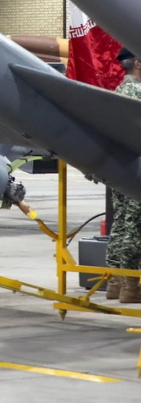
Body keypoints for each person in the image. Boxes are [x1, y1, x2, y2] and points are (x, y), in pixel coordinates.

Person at [107, 47, 141, 302]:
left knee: (120, 223)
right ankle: (131, 286)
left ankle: (115, 282)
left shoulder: (118, 91)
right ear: (138, 64)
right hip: (137, 167)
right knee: (135, 226)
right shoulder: (138, 94)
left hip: (119, 168)